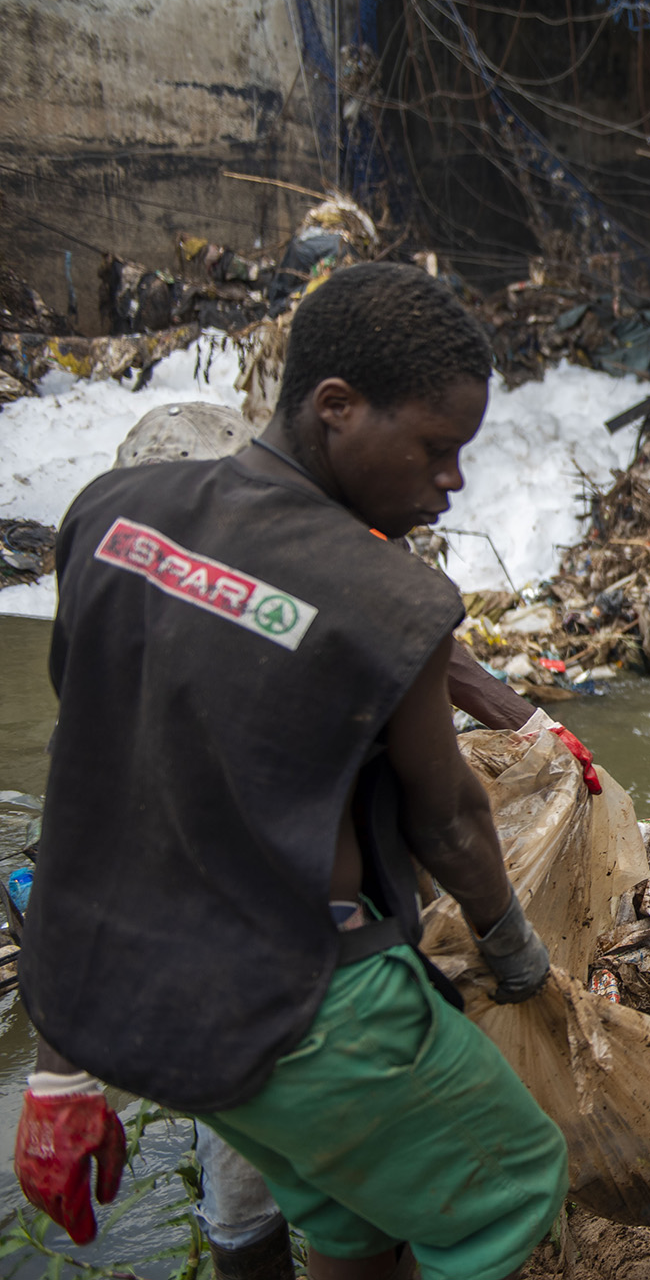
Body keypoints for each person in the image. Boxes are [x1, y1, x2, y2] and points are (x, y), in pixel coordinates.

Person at [15, 263, 570, 1280]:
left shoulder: (108, 517)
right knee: (513, 1185)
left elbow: (91, 770)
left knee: (353, 1218)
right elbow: (447, 821)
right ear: (336, 407)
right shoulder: (387, 596)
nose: (452, 480)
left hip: (138, 1000)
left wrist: (60, 1071)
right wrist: (513, 948)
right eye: (436, 448)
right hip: (301, 1003)